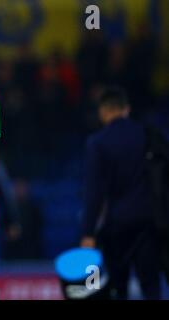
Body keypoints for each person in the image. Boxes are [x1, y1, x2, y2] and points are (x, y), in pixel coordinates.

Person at [80, 87, 161, 300]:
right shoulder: (147, 134)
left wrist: (88, 232)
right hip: (148, 223)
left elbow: (94, 192)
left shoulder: (97, 142)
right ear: (127, 109)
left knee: (117, 288)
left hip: (117, 225)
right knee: (151, 285)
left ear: (103, 112)